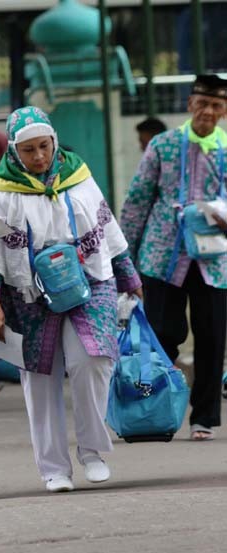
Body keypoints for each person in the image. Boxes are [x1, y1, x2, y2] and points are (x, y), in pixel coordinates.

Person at [0, 106, 142, 493]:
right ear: (14, 151)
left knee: (94, 358)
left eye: (43, 147)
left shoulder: (78, 175)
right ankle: (54, 468)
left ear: (54, 141)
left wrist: (129, 276)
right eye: (28, 150)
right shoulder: (0, 190)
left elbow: (106, 225)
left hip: (89, 280)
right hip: (28, 292)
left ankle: (92, 450)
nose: (38, 157)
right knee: (40, 375)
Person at [120, 74, 227, 441]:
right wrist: (126, 259)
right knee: (162, 334)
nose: (208, 112)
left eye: (216, 105)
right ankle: (158, 413)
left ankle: (204, 418)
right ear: (189, 104)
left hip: (215, 261)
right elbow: (137, 200)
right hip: (161, 255)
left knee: (212, 338)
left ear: (224, 110)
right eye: (202, 103)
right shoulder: (163, 146)